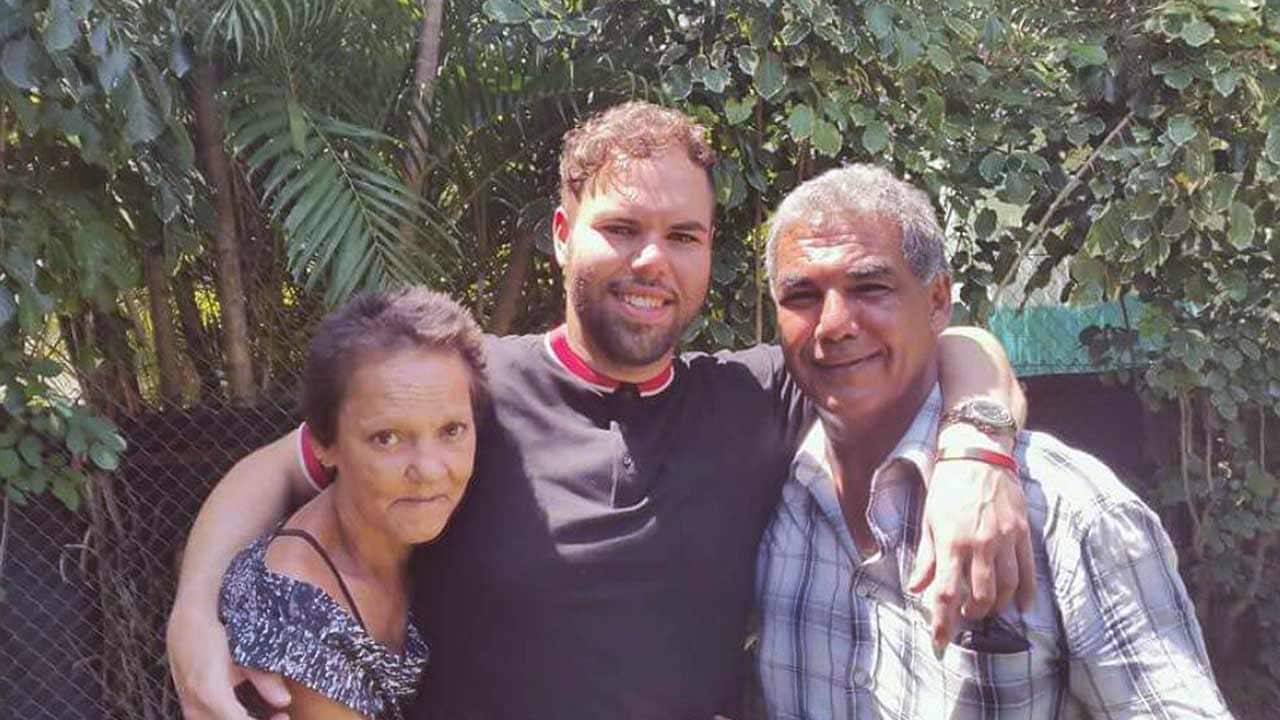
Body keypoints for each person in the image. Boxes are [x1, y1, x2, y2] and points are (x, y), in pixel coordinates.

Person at [168, 102, 1032, 720]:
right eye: (622, 228)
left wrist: (978, 447)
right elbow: (272, 469)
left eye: (684, 236)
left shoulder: (754, 393)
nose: (652, 260)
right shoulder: (466, 392)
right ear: (560, 234)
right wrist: (191, 617)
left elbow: (954, 341)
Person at [755, 164, 1229, 718]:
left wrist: (978, 447)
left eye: (871, 287)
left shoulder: (1066, 514)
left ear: (936, 302)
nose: (833, 323)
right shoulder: (764, 486)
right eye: (802, 296)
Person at [218, 288, 488, 719]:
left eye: (451, 430)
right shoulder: (294, 609)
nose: (430, 470)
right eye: (387, 438)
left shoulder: (423, 522)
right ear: (324, 444)